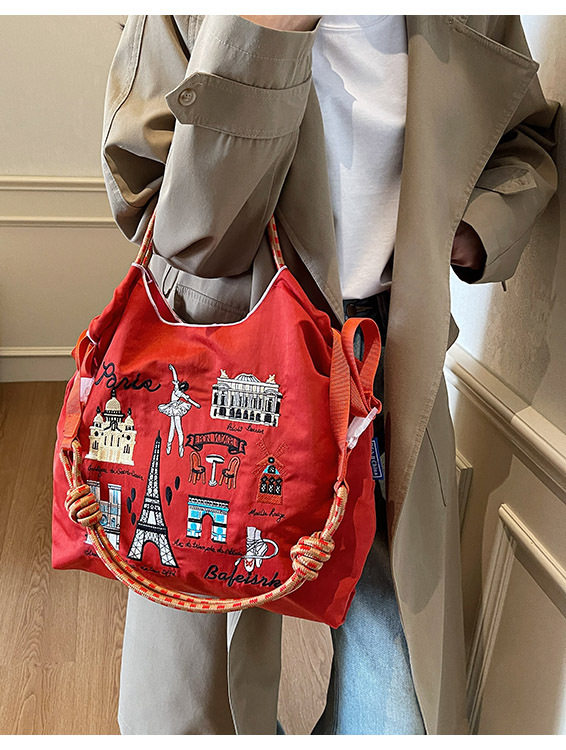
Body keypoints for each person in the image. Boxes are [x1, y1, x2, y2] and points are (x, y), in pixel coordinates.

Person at [100, 15, 558, 734]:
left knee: (397, 679)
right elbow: (176, 224)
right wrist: (262, 38)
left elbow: (523, 138)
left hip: (385, 355)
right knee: (207, 681)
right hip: (226, 351)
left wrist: (475, 229)